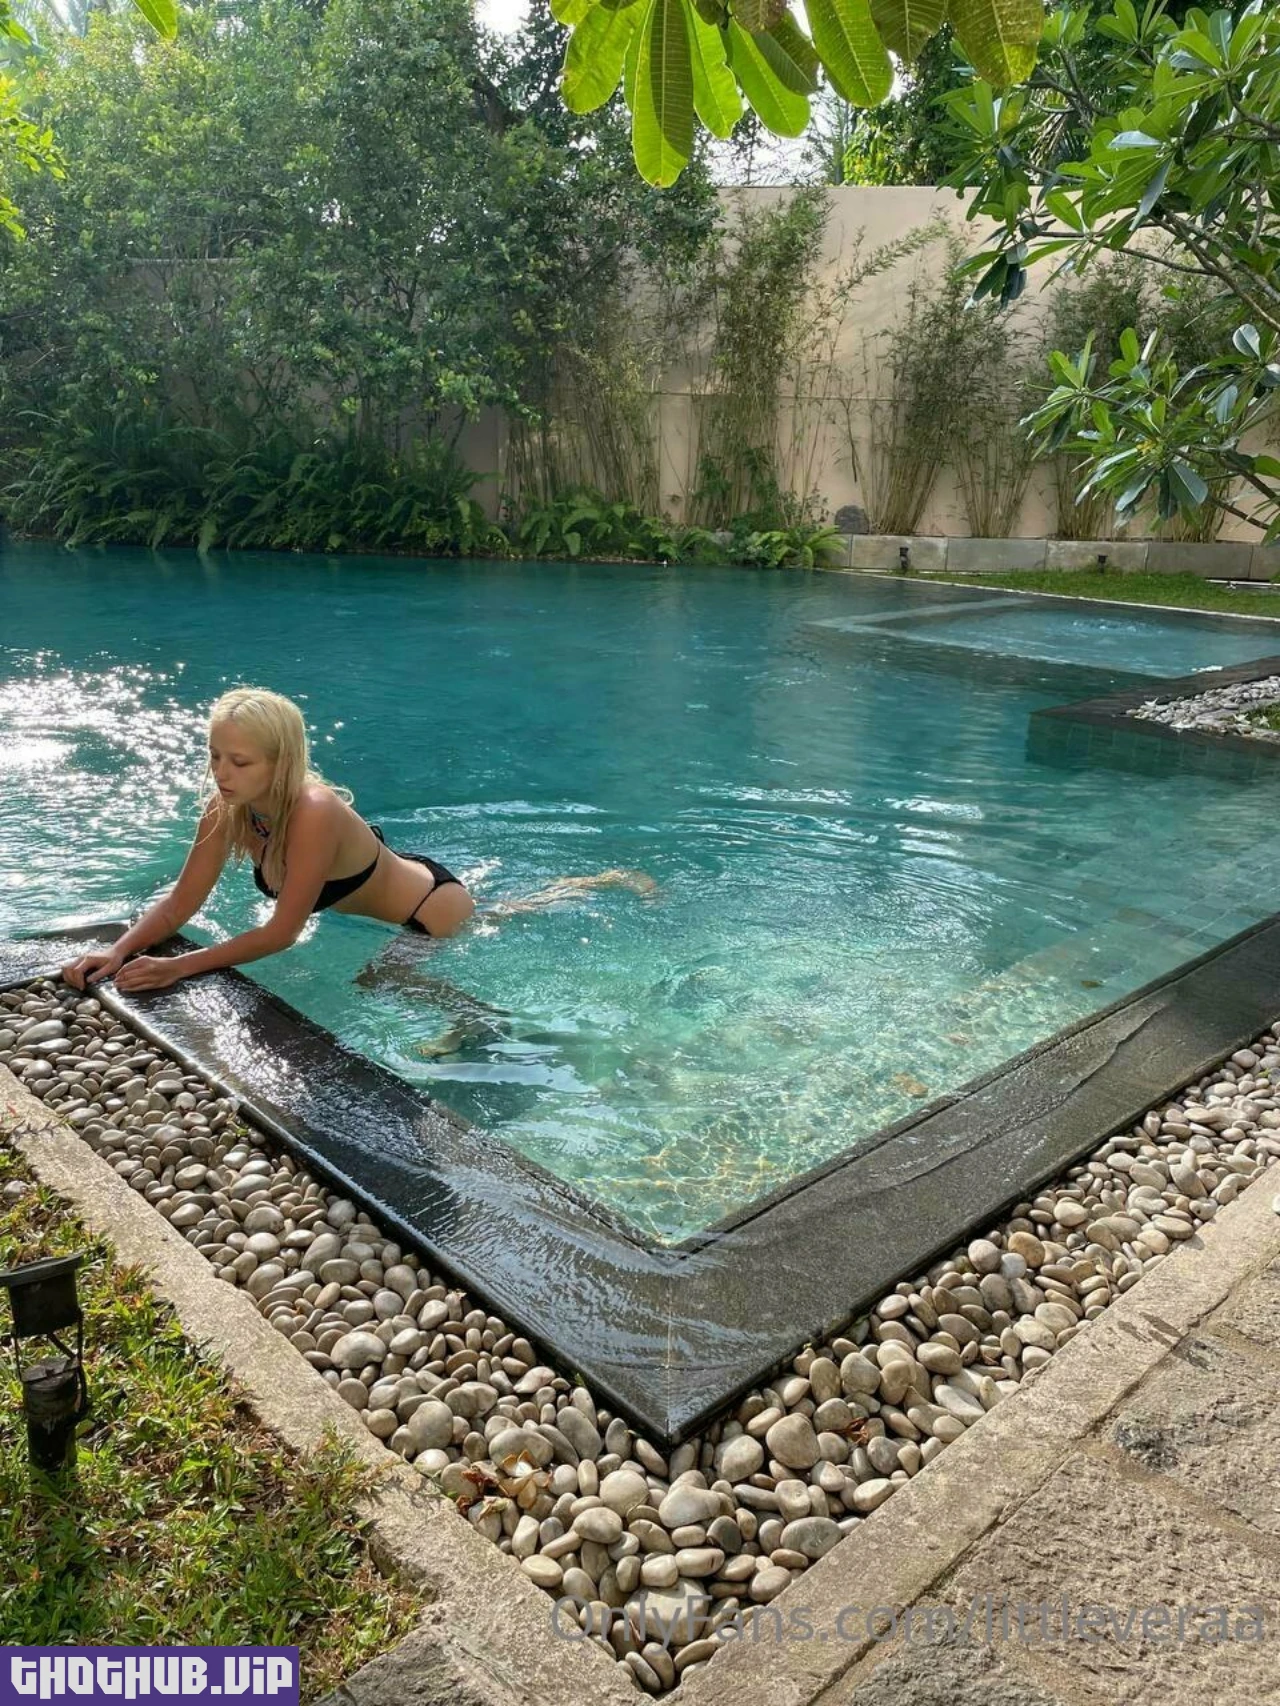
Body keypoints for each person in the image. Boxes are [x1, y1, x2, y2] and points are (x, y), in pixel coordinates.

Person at [61, 686, 654, 995]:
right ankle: (589, 883)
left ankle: (479, 1020)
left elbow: (282, 933)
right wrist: (120, 951)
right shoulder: (228, 807)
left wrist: (179, 967)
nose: (221, 773)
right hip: (385, 886)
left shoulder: (314, 811)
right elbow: (180, 902)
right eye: (215, 755)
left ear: (281, 762)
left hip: (428, 909)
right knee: (503, 912)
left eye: (240, 762)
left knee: (384, 982)